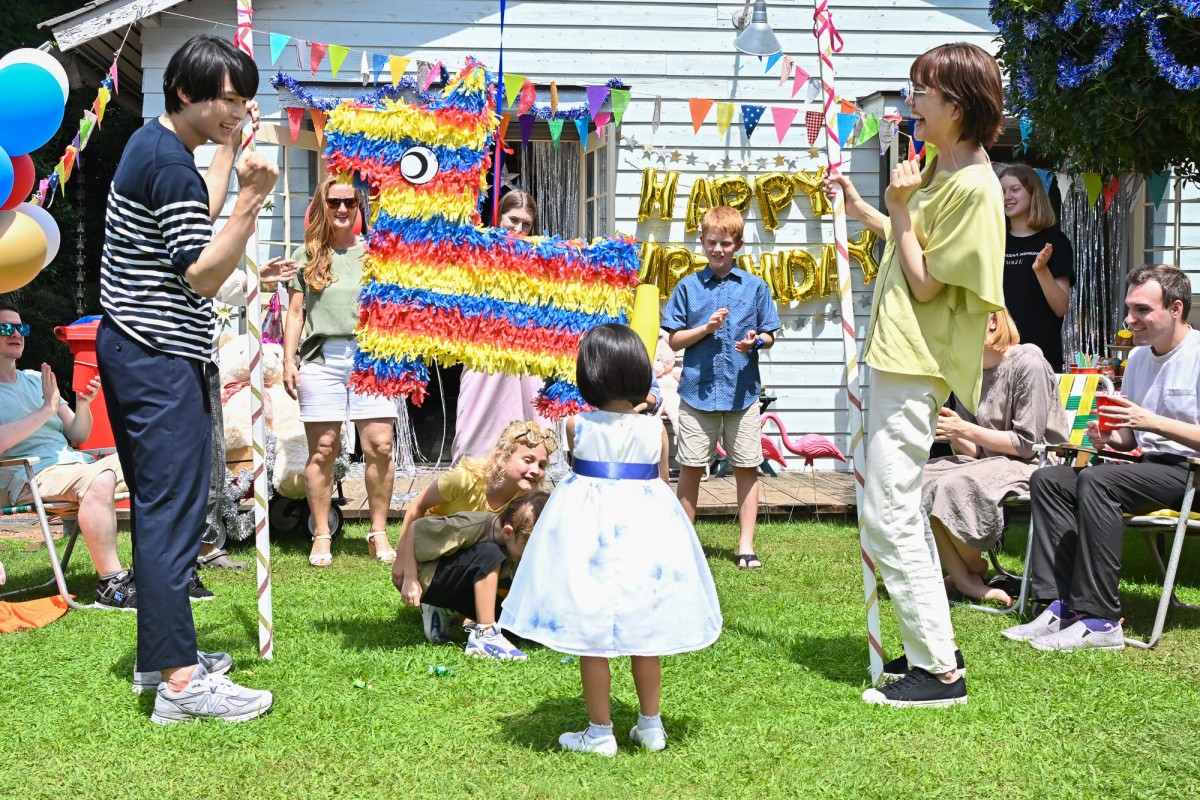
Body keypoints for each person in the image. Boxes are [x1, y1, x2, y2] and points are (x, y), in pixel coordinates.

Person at [97, 34, 277, 723]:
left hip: (139, 349)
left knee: (159, 509)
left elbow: (189, 215)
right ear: (186, 93)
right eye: (229, 100)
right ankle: (179, 684)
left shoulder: (157, 145)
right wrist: (251, 201)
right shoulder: (166, 163)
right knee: (172, 513)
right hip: (157, 355)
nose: (239, 110)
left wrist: (228, 152)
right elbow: (201, 271)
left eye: (243, 99)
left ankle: (159, 656)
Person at [826, 42, 1006, 707]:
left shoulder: (977, 187)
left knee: (888, 512)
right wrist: (866, 207)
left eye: (922, 91)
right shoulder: (943, 170)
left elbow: (927, 284)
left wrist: (899, 207)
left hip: (916, 359)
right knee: (889, 510)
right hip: (898, 353)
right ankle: (934, 650)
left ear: (958, 104)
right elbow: (912, 244)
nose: (911, 104)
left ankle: (940, 672)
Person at [500, 324, 722, 755]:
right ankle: (651, 725)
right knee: (646, 632)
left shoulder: (573, 425)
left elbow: (580, 473)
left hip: (590, 541)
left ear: (590, 374)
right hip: (644, 536)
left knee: (592, 635)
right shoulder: (654, 428)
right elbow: (658, 485)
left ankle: (600, 732)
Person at [1002, 264, 1200, 651]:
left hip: (1193, 475)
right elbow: (1133, 438)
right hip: (1151, 469)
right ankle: (1061, 606)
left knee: (1098, 480)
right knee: (1051, 480)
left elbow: (1160, 427)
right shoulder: (1141, 358)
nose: (1130, 320)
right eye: (1129, 309)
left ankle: (1100, 620)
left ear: (1176, 309)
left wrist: (1151, 422)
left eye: (1142, 310)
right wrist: (1114, 437)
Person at [283, 173, 397, 568]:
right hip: (320, 359)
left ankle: (379, 532)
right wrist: (287, 359)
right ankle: (321, 534)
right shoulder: (307, 255)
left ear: (359, 206)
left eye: (350, 202)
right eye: (334, 203)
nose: (343, 209)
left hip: (372, 358)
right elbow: (296, 312)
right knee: (324, 450)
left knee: (379, 446)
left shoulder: (377, 254)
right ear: (322, 206)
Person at [921, 310, 1068, 607]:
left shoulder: (1029, 364)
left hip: (1036, 465)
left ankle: (966, 574)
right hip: (988, 463)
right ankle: (968, 572)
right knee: (917, 478)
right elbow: (972, 451)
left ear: (991, 319)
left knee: (952, 484)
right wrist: (950, 429)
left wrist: (964, 428)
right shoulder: (968, 370)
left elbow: (1029, 444)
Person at [661, 205, 781, 570]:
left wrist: (754, 343)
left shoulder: (755, 288)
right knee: (693, 466)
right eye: (711, 242)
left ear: (738, 245)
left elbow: (770, 335)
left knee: (746, 467)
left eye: (725, 243)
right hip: (698, 393)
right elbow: (676, 341)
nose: (717, 249)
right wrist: (705, 330)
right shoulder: (687, 287)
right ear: (701, 242)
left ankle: (746, 546)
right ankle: (685, 543)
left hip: (742, 393)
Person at [0, 302, 132, 609]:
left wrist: (83, 402)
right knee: (99, 479)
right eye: (6, 328)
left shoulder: (36, 379)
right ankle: (112, 585)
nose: (16, 333)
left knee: (154, 459)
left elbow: (78, 435)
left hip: (72, 465)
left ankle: (164, 570)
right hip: (28, 475)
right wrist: (45, 409)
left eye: (21, 328)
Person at [394, 418, 556, 634]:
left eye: (542, 465)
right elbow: (417, 507)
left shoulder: (524, 500)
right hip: (434, 551)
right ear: (502, 457)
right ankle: (442, 606)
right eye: (528, 460)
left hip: (470, 554)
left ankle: (468, 612)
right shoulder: (463, 480)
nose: (535, 470)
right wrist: (403, 566)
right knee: (488, 554)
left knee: (496, 557)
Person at [451, 190, 553, 462]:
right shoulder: (477, 251)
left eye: (526, 224)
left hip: (527, 358)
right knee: (477, 430)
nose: (519, 228)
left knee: (530, 432)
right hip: (485, 357)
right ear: (498, 217)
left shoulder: (540, 259)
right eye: (513, 219)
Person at [410, 491, 549, 660]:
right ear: (508, 532)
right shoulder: (468, 525)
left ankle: (444, 609)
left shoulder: (512, 546)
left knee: (517, 627)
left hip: (460, 587)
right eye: (530, 548)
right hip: (429, 580)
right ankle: (485, 637)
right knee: (488, 554)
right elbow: (415, 529)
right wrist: (408, 577)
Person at [997, 163, 1075, 370]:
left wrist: (1041, 270)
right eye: (1002, 191)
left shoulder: (1055, 240)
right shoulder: (994, 240)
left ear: (1034, 193)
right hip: (996, 353)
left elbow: (1060, 308)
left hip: (1041, 357)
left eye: (1015, 189)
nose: (1007, 196)